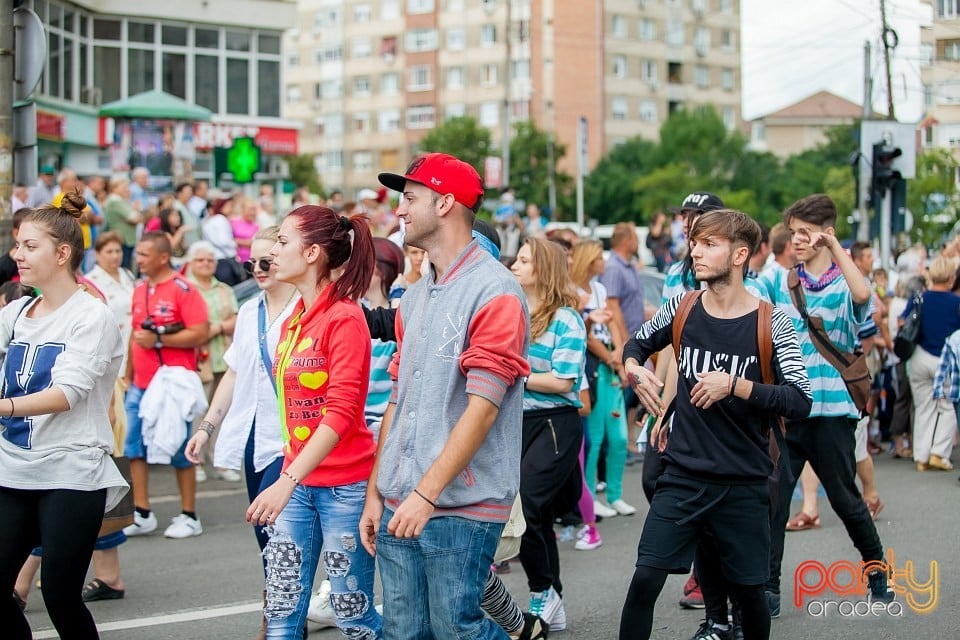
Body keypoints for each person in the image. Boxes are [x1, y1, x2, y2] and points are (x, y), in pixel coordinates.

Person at [618, 209, 812, 640]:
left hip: (744, 480)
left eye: (709, 244)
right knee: (645, 580)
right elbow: (636, 343)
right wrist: (635, 367)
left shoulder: (772, 321)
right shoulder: (681, 306)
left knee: (750, 596)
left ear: (740, 254)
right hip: (683, 475)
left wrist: (737, 386)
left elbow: (800, 400)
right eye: (695, 242)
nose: (696, 251)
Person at [361, 153, 530, 639]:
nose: (401, 211)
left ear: (447, 203)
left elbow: (482, 408)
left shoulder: (495, 291)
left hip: (460, 506)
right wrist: (378, 493)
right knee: (402, 632)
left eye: (411, 198)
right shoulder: (413, 297)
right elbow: (398, 399)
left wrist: (424, 494)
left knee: (458, 630)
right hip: (400, 499)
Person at [241, 205, 381, 639]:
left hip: (345, 489)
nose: (271, 252)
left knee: (352, 614)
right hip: (299, 485)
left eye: (283, 242)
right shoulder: (295, 322)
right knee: (282, 609)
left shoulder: (344, 317)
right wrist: (291, 474)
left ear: (313, 253)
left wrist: (286, 480)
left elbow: (340, 413)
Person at [752, 194, 894, 617]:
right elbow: (747, 294)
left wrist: (834, 248)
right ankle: (769, 588)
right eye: (792, 232)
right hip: (789, 408)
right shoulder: (781, 282)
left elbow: (862, 292)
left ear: (824, 233)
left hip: (832, 413)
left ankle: (876, 572)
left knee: (845, 499)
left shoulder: (842, 281)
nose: (795, 240)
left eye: (803, 232)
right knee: (774, 498)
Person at [0, 192, 128, 639]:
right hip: (12, 467)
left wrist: (4, 407)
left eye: (29, 246)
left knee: (59, 594)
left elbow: (67, 393)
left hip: (71, 470)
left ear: (62, 254)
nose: (17, 254)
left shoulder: (91, 316)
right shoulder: (16, 311)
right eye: (17, 245)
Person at [185, 226, 300, 639]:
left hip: (294, 439)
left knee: (279, 536)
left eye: (267, 260)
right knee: (265, 537)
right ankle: (284, 613)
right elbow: (235, 372)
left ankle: (281, 621)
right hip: (255, 436)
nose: (259, 268)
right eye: (253, 262)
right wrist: (206, 427)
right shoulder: (250, 310)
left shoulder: (309, 310)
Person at [511, 237, 587, 631]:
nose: (514, 265)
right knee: (524, 511)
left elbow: (564, 381)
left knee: (526, 506)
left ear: (544, 268)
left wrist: (517, 373)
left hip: (556, 423)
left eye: (524, 260)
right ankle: (549, 593)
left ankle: (544, 593)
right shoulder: (513, 309)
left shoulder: (566, 318)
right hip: (516, 422)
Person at [123, 232, 210, 539]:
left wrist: (161, 339)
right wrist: (129, 375)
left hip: (173, 384)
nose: (139, 259)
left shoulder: (183, 289)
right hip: (141, 384)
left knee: (179, 449)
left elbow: (201, 332)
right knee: (133, 447)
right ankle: (141, 511)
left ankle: (189, 514)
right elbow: (135, 337)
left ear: (163, 257)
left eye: (145, 254)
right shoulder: (139, 290)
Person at [570, 240, 634, 519]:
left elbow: (611, 323)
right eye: (599, 258)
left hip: (610, 366)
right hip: (593, 369)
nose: (604, 263)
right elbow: (586, 334)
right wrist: (611, 359)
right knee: (594, 438)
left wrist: (620, 354)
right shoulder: (573, 292)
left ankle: (615, 495)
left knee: (619, 438)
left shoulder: (599, 289)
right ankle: (590, 496)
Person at [185, 241, 240, 483]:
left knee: (222, 411)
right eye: (201, 260)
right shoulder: (185, 289)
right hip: (197, 359)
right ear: (191, 263)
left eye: (210, 260)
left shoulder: (224, 289)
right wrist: (216, 327)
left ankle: (219, 461)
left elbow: (237, 319)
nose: (206, 264)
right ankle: (195, 461)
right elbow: (191, 326)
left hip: (224, 356)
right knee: (198, 411)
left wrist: (215, 327)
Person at [905, 254, 960, 471]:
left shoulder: (918, 297)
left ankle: (921, 456)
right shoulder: (956, 303)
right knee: (948, 406)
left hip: (919, 356)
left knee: (923, 407)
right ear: (951, 278)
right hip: (945, 360)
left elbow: (903, 321)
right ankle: (939, 452)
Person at [102, 175, 142, 270]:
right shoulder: (115, 201)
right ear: (114, 188)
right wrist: (137, 211)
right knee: (123, 268)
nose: (128, 190)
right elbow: (135, 218)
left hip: (124, 240)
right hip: (122, 240)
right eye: (124, 187)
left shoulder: (121, 201)